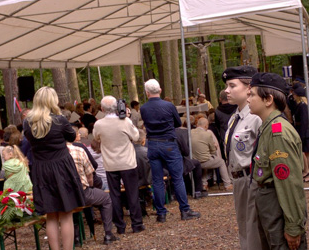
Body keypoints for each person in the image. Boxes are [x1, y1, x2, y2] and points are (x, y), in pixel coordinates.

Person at [248, 73, 309, 250]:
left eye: (252, 94)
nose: (248, 98)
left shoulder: (278, 133)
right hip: (269, 204)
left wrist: (294, 226)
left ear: (268, 99)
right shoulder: (267, 128)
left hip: (279, 204)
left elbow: (289, 183)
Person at [222, 65, 276, 250]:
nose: (227, 90)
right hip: (240, 181)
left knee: (259, 246)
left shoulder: (255, 118)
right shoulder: (236, 117)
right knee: (253, 247)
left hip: (252, 180)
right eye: (228, 86)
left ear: (248, 88)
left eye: (233, 86)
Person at [24, 86, 86, 250]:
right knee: (66, 213)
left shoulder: (28, 123)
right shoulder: (59, 120)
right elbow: (72, 137)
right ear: (52, 101)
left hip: (41, 169)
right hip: (61, 167)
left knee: (51, 215)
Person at [139, 79, 200, 223]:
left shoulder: (143, 108)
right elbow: (178, 123)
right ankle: (184, 210)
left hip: (152, 144)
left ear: (147, 92)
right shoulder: (168, 105)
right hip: (168, 143)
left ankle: (161, 213)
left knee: (157, 180)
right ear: (160, 90)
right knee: (177, 178)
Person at [91, 96, 144, 234]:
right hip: (127, 162)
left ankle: (120, 226)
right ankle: (136, 223)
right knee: (132, 193)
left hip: (110, 163)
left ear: (102, 109)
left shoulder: (99, 124)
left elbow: (96, 137)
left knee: (115, 195)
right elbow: (136, 137)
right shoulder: (125, 122)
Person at [67, 137, 118, 245]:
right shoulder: (78, 149)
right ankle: (108, 233)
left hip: (61, 196)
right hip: (82, 193)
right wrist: (90, 187)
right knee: (106, 198)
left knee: (70, 207)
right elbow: (90, 174)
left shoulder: (48, 153)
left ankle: (75, 238)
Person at [191, 116, 232, 191]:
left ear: (197, 124)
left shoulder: (190, 132)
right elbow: (213, 151)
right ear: (206, 126)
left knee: (206, 159)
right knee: (221, 162)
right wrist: (215, 146)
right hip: (204, 160)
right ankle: (227, 184)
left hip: (193, 160)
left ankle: (204, 183)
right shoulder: (207, 134)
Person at [291, 85, 309, 182]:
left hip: (305, 132)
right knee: (306, 153)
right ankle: (307, 170)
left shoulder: (303, 106)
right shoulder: (301, 105)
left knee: (308, 154)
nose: (294, 97)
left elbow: (304, 121)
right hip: (303, 130)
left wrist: (303, 134)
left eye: (295, 95)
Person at [212, 89, 236, 161]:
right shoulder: (237, 108)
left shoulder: (217, 111)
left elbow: (217, 126)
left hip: (224, 136)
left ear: (220, 99)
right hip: (237, 135)